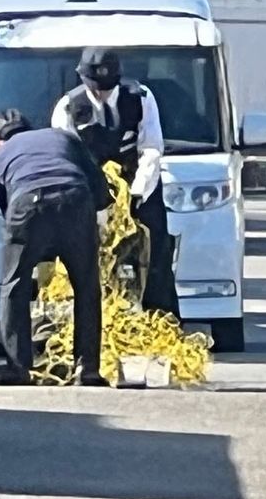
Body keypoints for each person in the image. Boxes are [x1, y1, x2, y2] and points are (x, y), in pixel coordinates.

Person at [51, 47, 181, 319]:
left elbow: (151, 149)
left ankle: (159, 316)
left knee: (155, 251)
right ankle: (94, 318)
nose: (101, 93)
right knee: (89, 256)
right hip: (90, 190)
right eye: (95, 87)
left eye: (107, 88)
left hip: (139, 187)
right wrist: (97, 202)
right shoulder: (68, 108)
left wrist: (136, 193)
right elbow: (66, 160)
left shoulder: (141, 98)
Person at [0, 110, 111, 386]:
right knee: (87, 286)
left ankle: (18, 368)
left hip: (27, 204)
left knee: (14, 285)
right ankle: (87, 368)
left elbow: (8, 213)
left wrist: (37, 248)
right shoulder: (61, 137)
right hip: (76, 199)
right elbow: (99, 185)